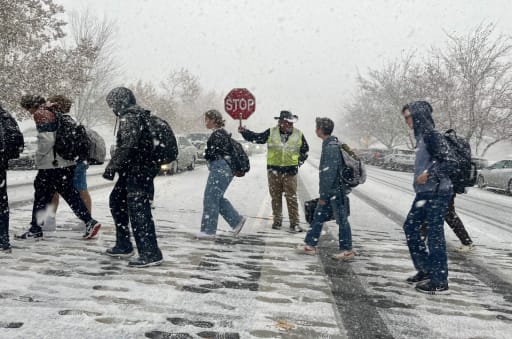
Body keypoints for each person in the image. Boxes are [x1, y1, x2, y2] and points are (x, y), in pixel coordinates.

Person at [17, 95, 101, 240]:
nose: (29, 113)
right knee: (69, 194)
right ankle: (89, 221)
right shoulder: (56, 111)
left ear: (31, 106)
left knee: (41, 195)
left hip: (52, 164)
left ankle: (36, 229)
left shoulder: (41, 114)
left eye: (28, 109)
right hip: (66, 162)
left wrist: (38, 158)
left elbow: (47, 139)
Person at [103, 87, 163, 268]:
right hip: (136, 170)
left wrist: (112, 166)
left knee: (139, 210)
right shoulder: (139, 115)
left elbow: (128, 145)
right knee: (117, 201)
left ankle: (150, 253)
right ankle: (124, 244)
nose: (112, 108)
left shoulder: (130, 116)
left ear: (118, 102)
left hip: (137, 171)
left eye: (112, 104)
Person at [401, 101, 455, 294]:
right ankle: (425, 269)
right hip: (425, 193)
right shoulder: (422, 136)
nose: (407, 120)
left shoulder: (432, 134)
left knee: (434, 234)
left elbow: (450, 161)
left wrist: (430, 175)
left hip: (437, 192)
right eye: (405, 117)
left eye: (408, 116)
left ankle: (439, 280)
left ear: (418, 115)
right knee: (410, 227)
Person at [239, 110, 309, 233]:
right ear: (280, 122)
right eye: (287, 122)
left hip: (290, 172)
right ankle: (277, 221)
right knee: (275, 197)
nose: (289, 125)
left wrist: (298, 162)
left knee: (291, 198)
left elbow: (305, 151)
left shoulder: (298, 134)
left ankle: (295, 223)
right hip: (274, 171)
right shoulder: (271, 132)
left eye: (291, 122)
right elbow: (257, 138)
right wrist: (245, 132)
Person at [297, 117, 355, 260]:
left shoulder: (331, 147)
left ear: (321, 130)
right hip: (335, 191)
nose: (315, 130)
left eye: (317, 127)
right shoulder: (332, 144)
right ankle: (310, 245)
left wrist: (324, 196)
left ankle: (347, 250)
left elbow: (328, 174)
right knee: (318, 217)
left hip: (335, 192)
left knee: (341, 220)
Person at [44, 95, 92, 232]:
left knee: (54, 190)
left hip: (66, 161)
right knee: (81, 189)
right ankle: (86, 221)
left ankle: (49, 222)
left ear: (56, 106)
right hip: (79, 159)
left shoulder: (58, 120)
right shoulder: (72, 121)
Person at [198, 109, 246, 240]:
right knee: (216, 197)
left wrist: (207, 154)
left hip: (220, 167)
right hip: (224, 168)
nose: (205, 122)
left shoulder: (218, 134)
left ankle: (208, 231)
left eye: (207, 119)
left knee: (210, 198)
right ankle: (236, 221)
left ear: (214, 120)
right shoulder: (221, 133)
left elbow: (212, 154)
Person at [0, 102, 23, 254]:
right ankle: (4, 240)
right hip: (1, 164)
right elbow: (17, 143)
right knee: (2, 204)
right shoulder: (5, 116)